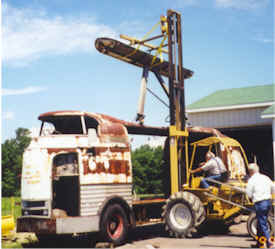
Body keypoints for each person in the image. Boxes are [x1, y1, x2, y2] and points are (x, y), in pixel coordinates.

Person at [246, 163, 274, 248]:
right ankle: (259, 243)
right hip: (268, 202)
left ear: (250, 171)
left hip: (260, 203)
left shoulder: (251, 180)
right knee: (260, 222)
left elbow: (249, 193)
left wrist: (251, 198)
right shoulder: (265, 177)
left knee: (262, 223)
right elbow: (273, 188)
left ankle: (270, 243)